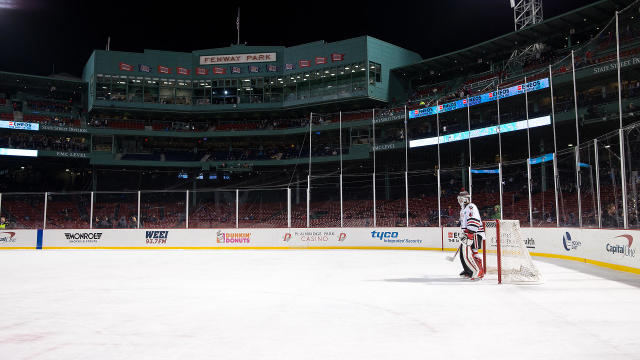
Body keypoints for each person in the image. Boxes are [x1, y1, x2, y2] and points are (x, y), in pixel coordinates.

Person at [457, 189, 485, 280]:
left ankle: (479, 271)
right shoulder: (463, 209)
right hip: (467, 233)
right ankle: (468, 270)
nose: (460, 200)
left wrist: (471, 232)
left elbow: (474, 219)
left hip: (474, 233)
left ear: (466, 199)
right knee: (463, 253)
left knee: (473, 252)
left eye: (461, 199)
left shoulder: (471, 206)